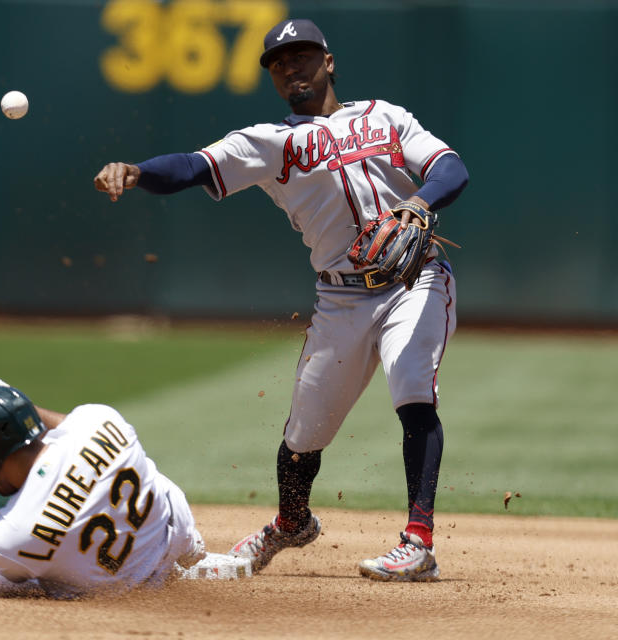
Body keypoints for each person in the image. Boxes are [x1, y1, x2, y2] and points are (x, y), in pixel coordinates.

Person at [93, 18, 469, 581]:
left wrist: (417, 205)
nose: (292, 66)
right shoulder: (269, 143)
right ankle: (291, 523)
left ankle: (418, 542)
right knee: (302, 438)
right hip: (340, 299)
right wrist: (137, 171)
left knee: (412, 385)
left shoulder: (384, 118)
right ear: (272, 78)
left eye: (303, 55)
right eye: (279, 62)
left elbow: (450, 168)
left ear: (329, 61)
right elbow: (193, 167)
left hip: (417, 280)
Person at [0, 377, 206, 598]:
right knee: (140, 464)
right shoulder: (100, 419)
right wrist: (11, 402)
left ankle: (169, 574)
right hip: (174, 529)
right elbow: (63, 424)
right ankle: (191, 549)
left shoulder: (12, 538)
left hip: (125, 588)